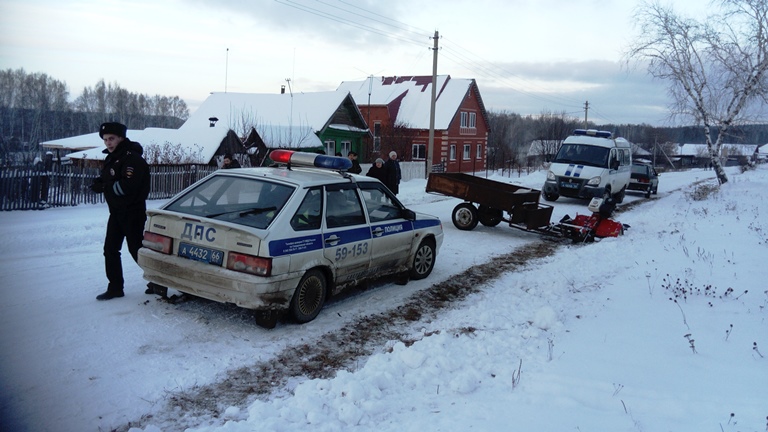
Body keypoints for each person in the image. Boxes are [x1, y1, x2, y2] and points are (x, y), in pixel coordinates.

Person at [90, 122, 153, 300]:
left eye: (111, 139)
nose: (108, 143)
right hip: (116, 212)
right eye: (105, 140)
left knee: (136, 249)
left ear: (121, 138)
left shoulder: (132, 158)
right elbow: (110, 177)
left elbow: (128, 186)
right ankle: (115, 287)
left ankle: (158, 280)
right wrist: (99, 182)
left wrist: (104, 187)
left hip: (132, 212)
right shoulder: (113, 157)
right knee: (110, 249)